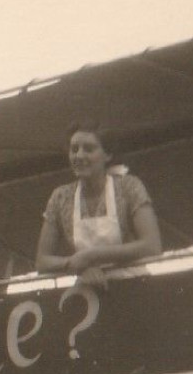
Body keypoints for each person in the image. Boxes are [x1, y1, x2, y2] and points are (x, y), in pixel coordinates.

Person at [35, 122, 161, 288]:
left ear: (107, 155)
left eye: (88, 149)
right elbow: (42, 262)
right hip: (88, 291)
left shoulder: (129, 186)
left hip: (134, 287)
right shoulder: (60, 197)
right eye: (74, 149)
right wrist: (79, 266)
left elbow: (152, 245)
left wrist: (92, 256)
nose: (79, 156)